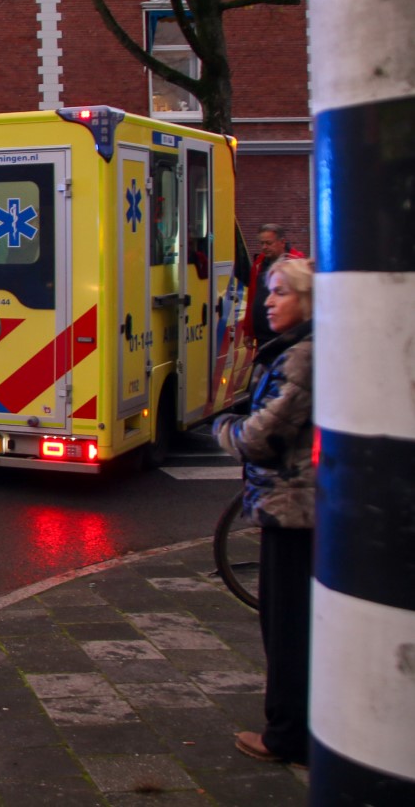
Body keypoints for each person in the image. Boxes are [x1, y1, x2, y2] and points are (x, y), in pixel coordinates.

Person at [212, 257, 315, 768]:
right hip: (297, 505)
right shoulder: (306, 350)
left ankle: (286, 734)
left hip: (292, 509)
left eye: (279, 293)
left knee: (287, 623)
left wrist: (222, 426)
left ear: (309, 300)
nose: (267, 302)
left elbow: (258, 437)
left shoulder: (302, 357)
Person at [248, 223, 303, 348]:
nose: (264, 247)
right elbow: (252, 296)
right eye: (262, 243)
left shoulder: (296, 263)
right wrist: (249, 331)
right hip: (262, 335)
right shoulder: (259, 264)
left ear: (282, 242)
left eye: (268, 243)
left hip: (285, 334)